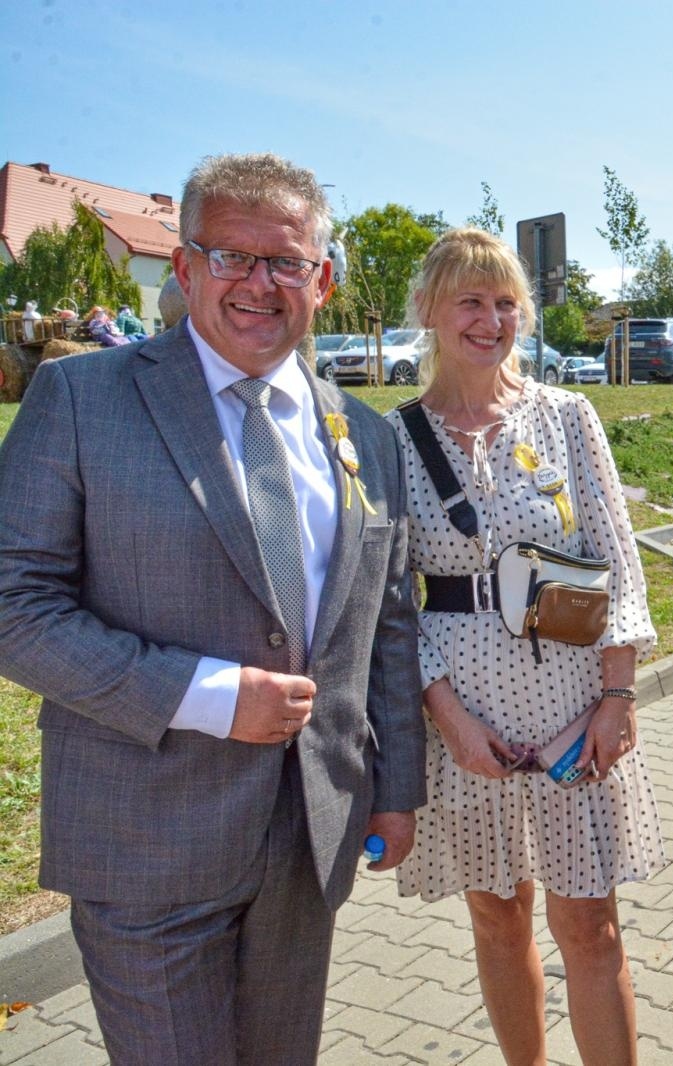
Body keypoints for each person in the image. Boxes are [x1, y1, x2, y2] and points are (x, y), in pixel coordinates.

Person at [0, 152, 425, 1064]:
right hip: (146, 841)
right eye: (230, 256)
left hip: (308, 843)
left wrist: (395, 792)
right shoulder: (80, 399)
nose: (257, 284)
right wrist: (209, 693)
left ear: (324, 278)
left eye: (286, 262)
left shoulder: (368, 436)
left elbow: (387, 626)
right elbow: (13, 607)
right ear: (185, 268)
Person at [387, 228, 665, 1066]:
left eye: (506, 301)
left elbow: (617, 558)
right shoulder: (391, 440)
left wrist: (616, 699)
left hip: (573, 707)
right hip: (463, 723)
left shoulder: (567, 416)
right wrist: (446, 718)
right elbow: (390, 603)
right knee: (496, 915)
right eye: (471, 300)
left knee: (589, 922)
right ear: (432, 311)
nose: (491, 318)